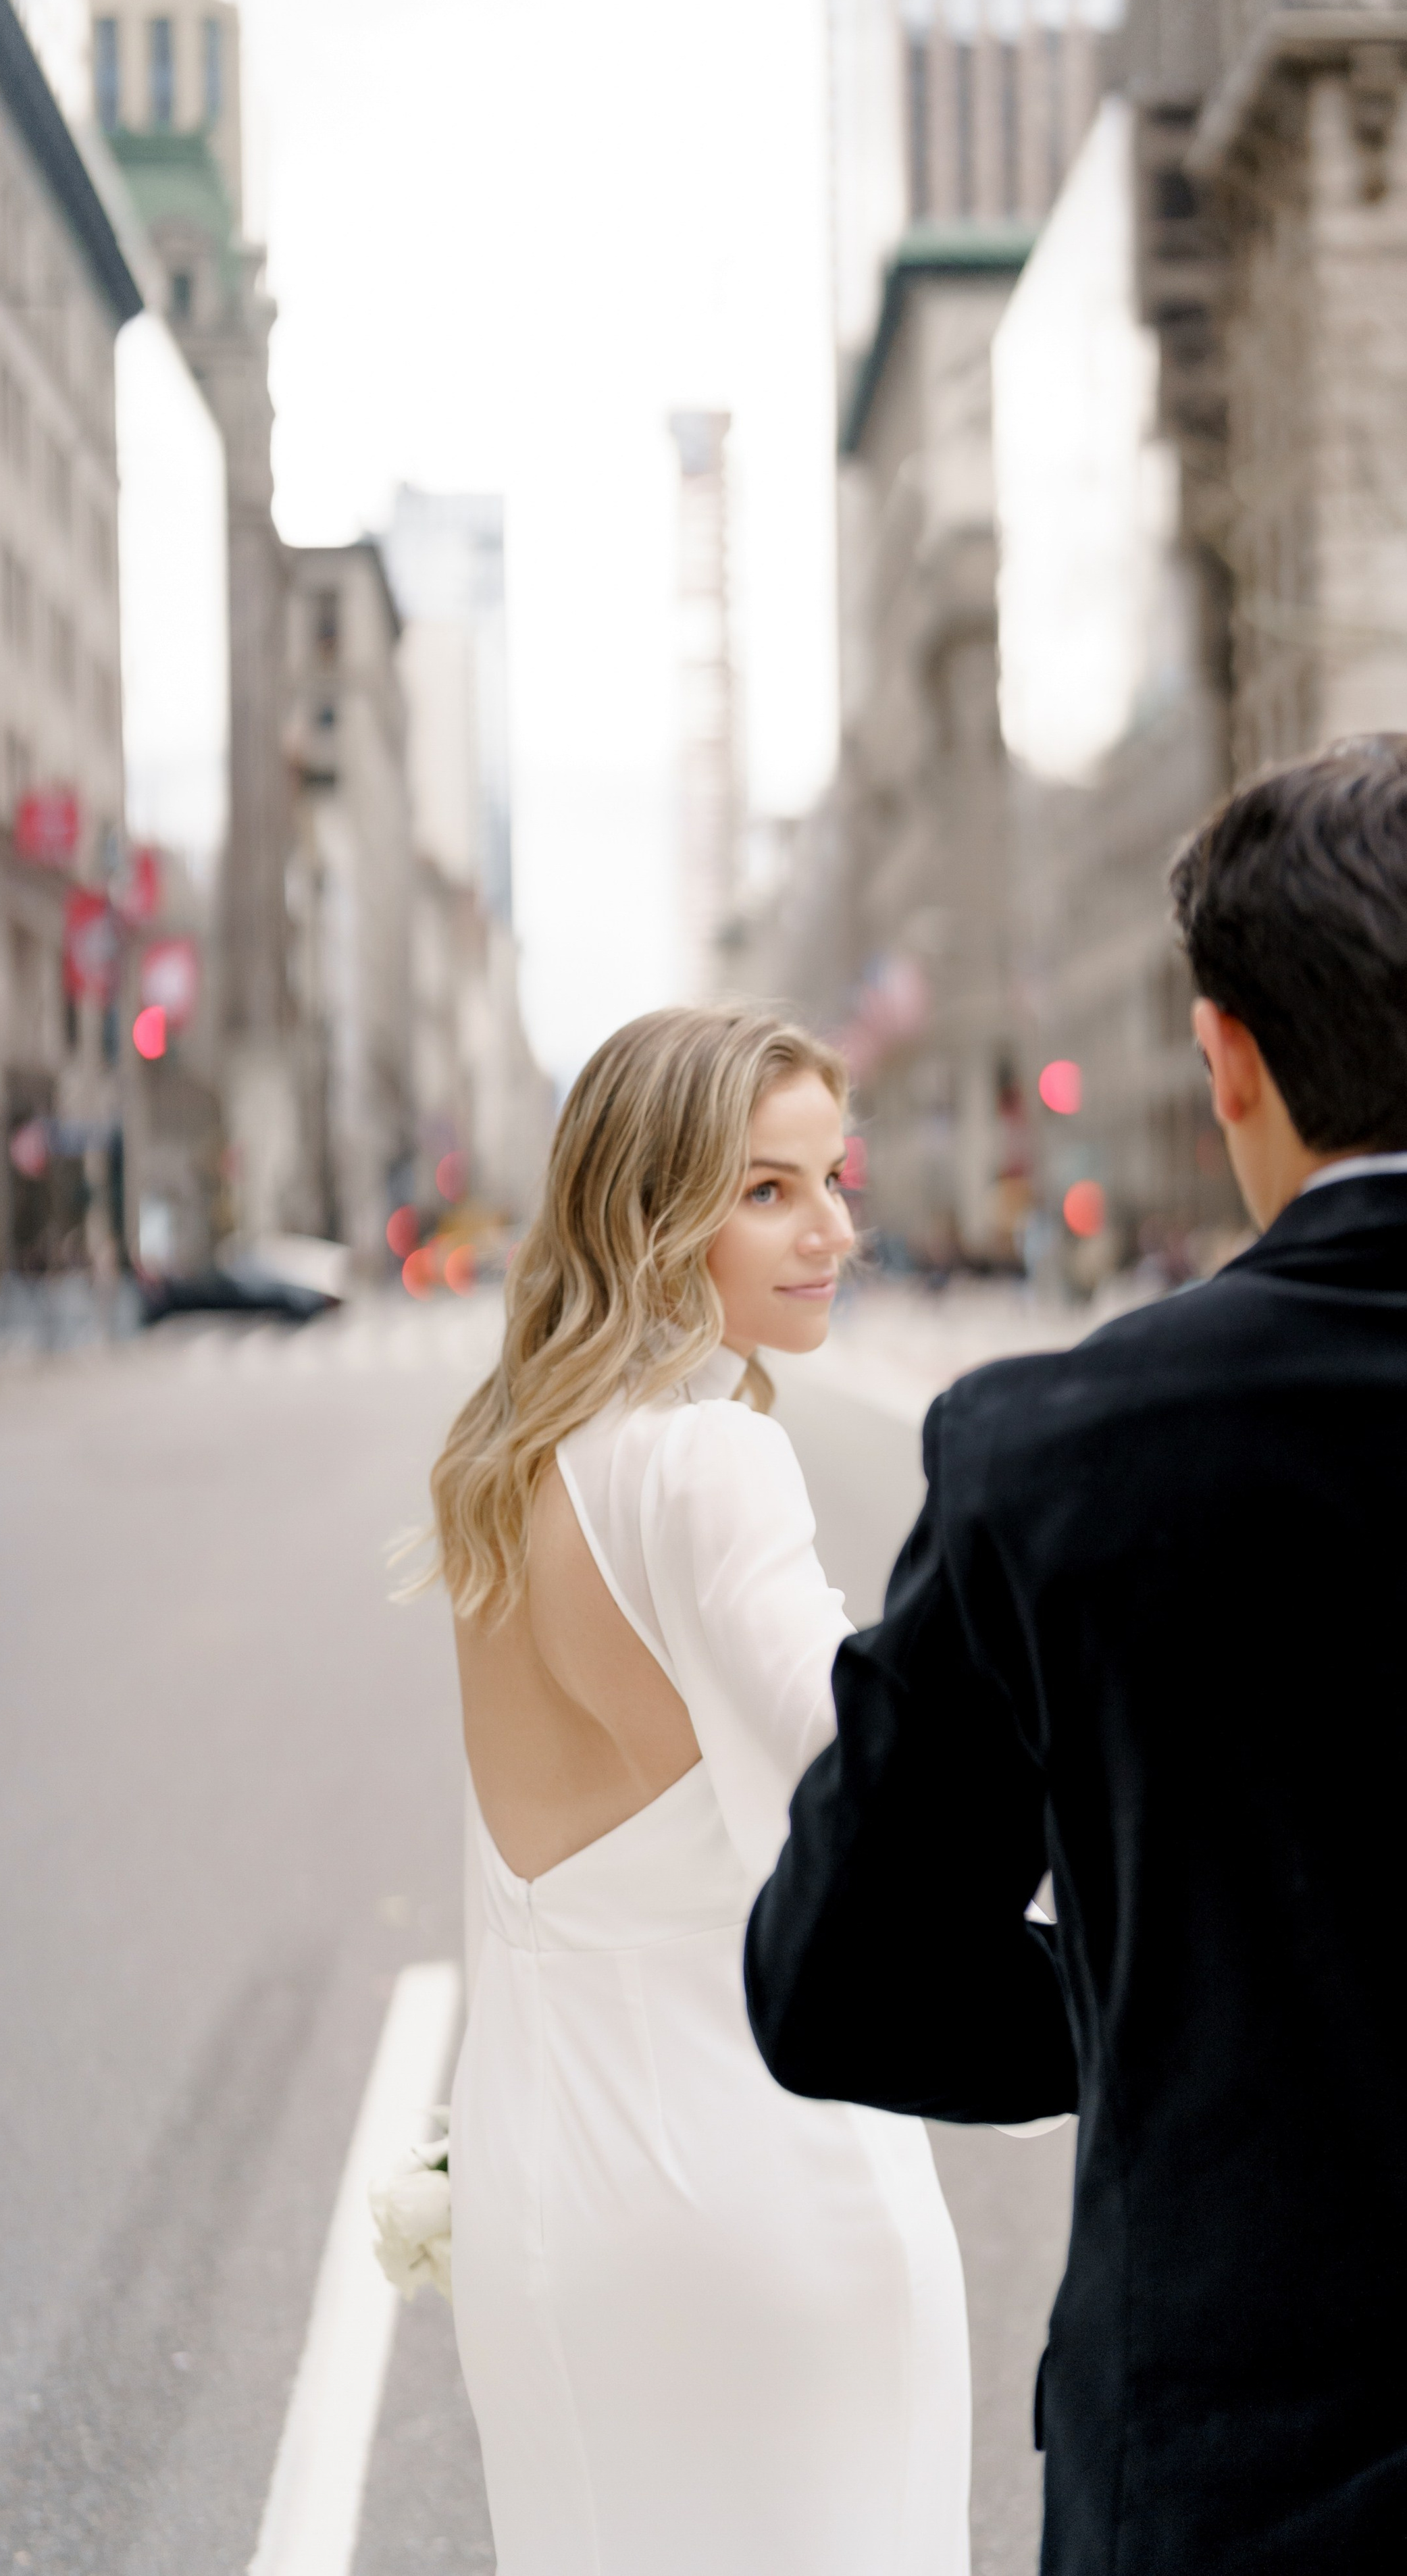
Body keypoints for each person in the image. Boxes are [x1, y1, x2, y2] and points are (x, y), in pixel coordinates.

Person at [746, 732, 1407, 2575]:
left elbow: (838, 1978)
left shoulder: (1050, 1454)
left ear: (1224, 1056)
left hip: (1223, 2498)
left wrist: (1165, 1986)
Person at [434, 1005, 970, 2576]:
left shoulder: (510, 1458)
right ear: (651, 1211)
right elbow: (873, 1791)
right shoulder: (705, 1457)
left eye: (831, 1178)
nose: (832, 1230)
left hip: (545, 2204)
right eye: (766, 1192)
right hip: (757, 2189)